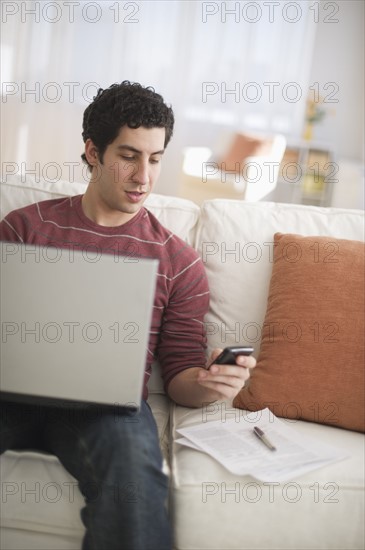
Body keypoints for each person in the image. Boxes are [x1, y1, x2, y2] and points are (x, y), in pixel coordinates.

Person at [0, 81, 256, 550]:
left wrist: (209, 383)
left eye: (155, 159)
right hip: (8, 393)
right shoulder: (24, 228)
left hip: (106, 413)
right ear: (93, 152)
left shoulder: (178, 261)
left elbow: (179, 375)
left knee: (134, 475)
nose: (144, 176)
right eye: (129, 155)